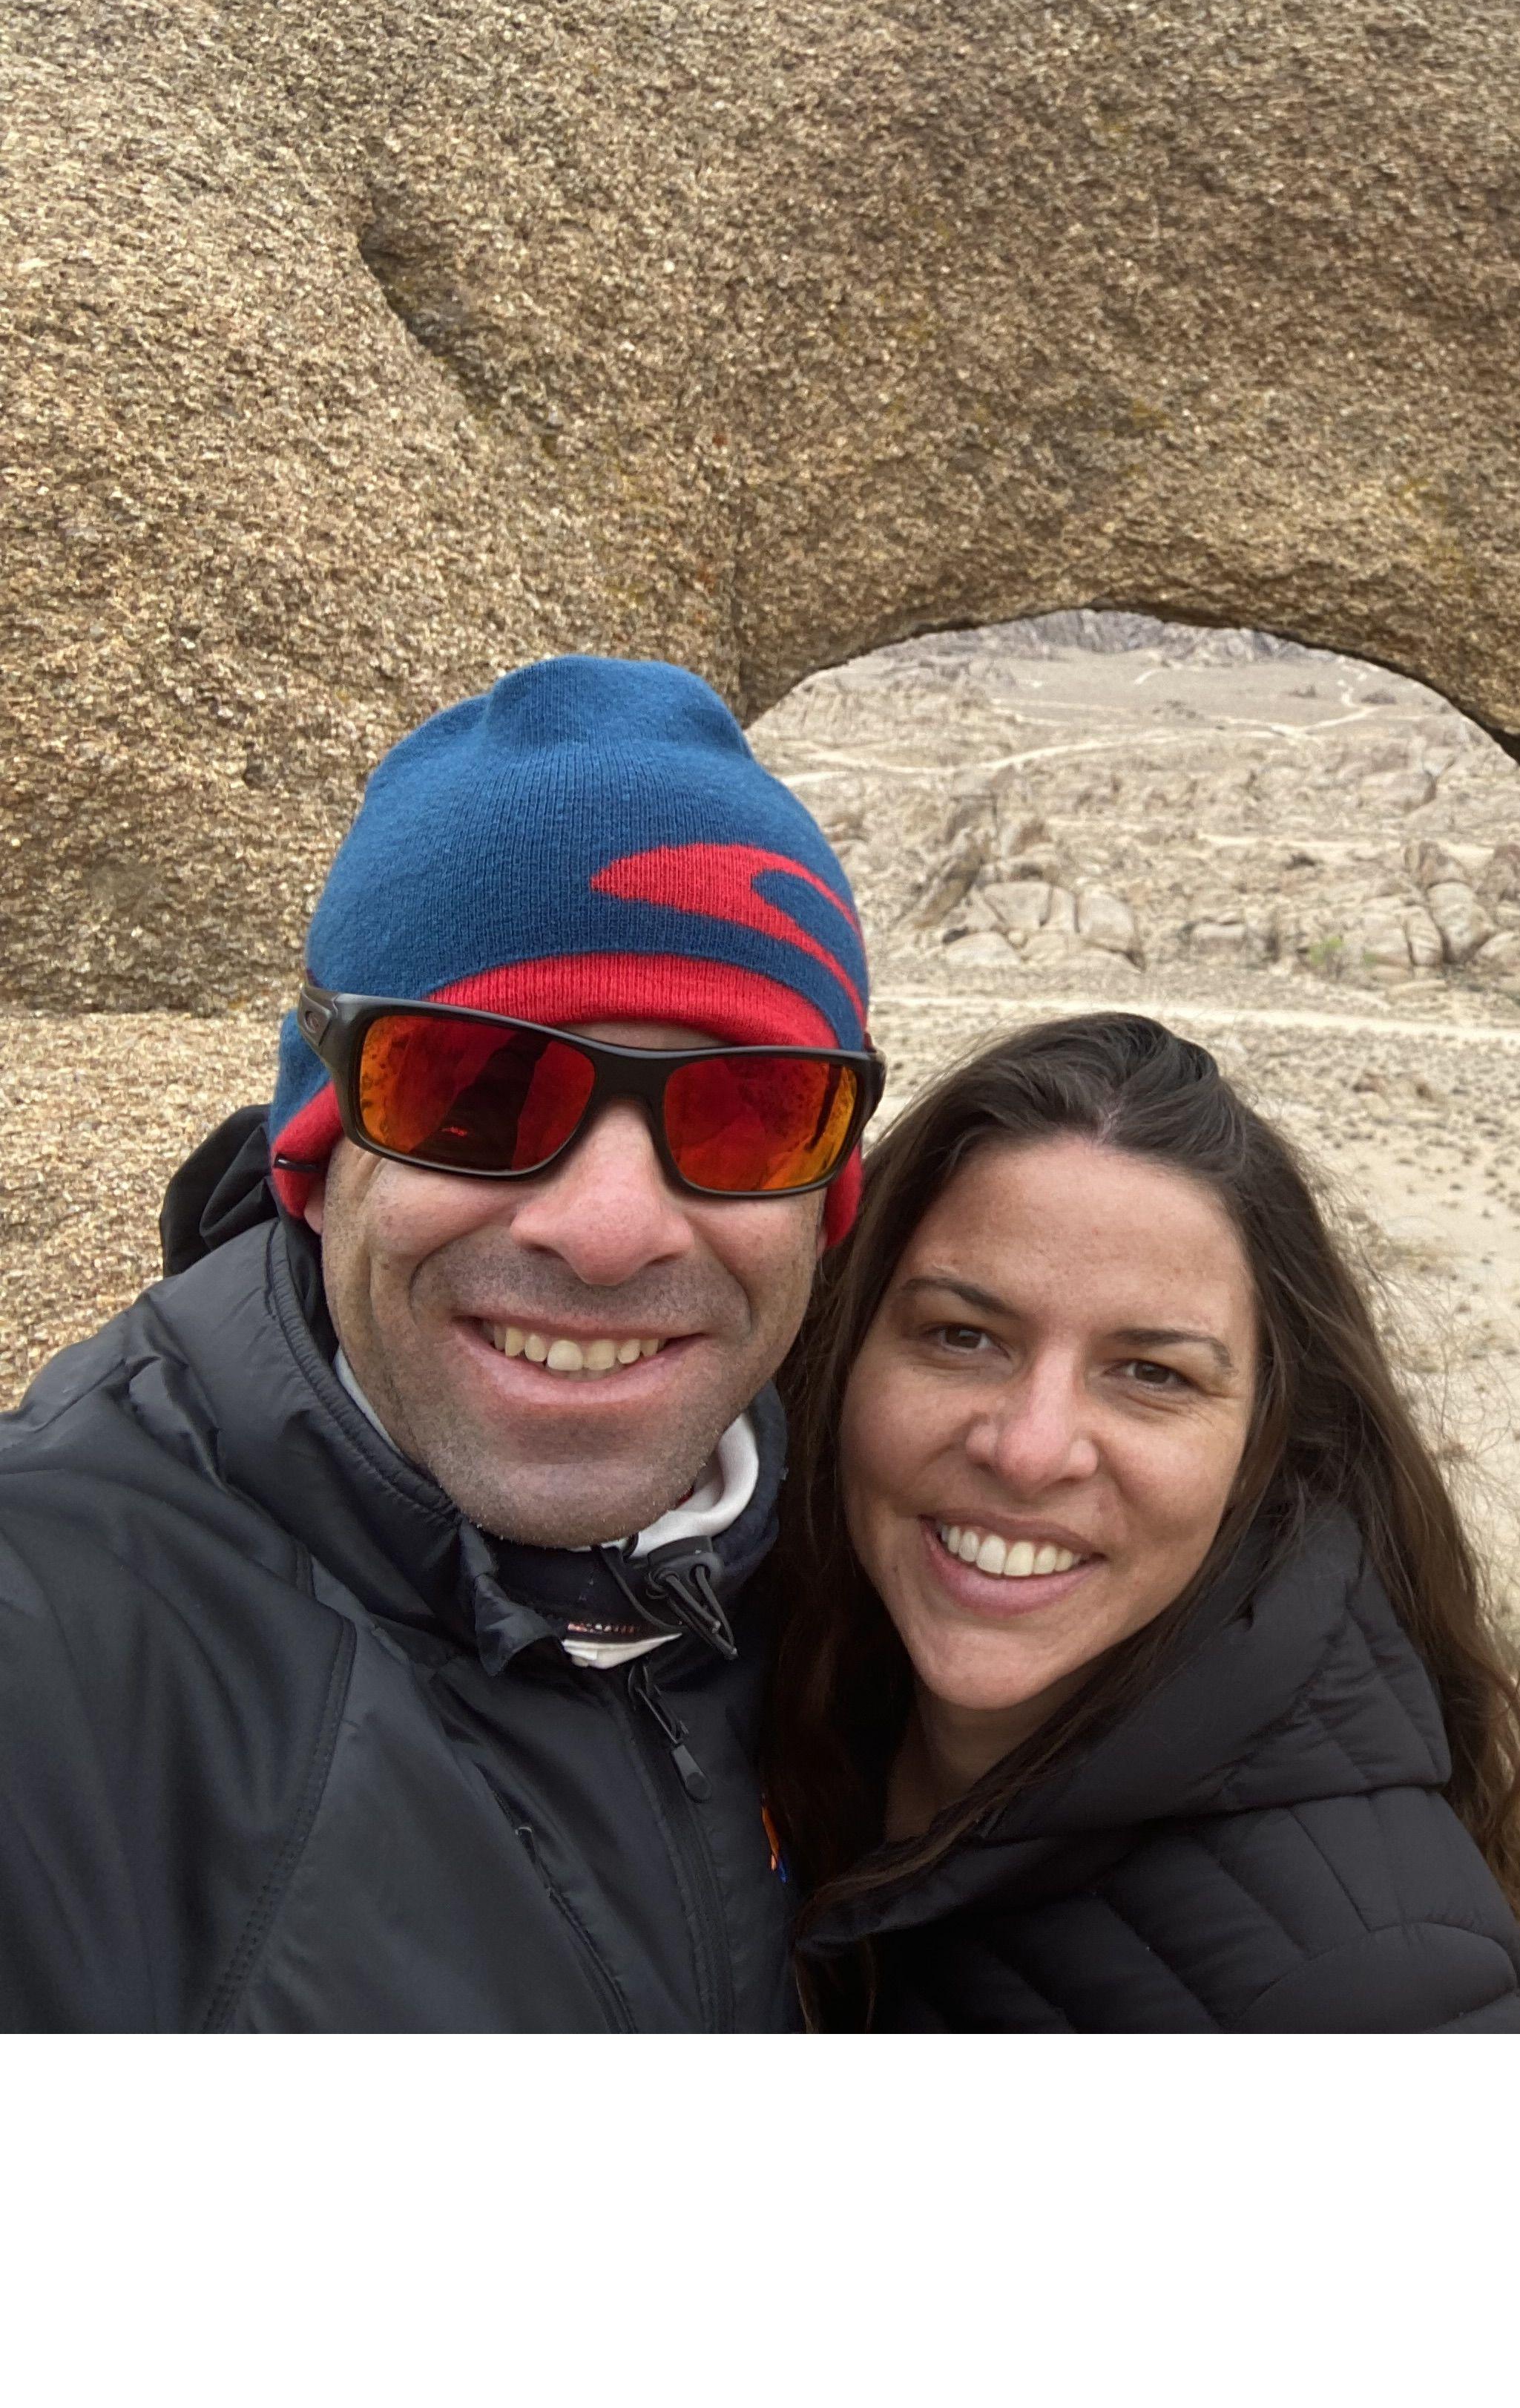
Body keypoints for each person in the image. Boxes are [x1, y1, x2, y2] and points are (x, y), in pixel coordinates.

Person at [0, 655, 881, 2031]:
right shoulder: (59, 1653)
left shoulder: (866, 1580)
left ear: (826, 1194)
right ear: (316, 1141)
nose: (607, 1231)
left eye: (748, 1112)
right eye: (478, 1089)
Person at [765, 1012, 1520, 2031]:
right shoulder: (765, 1682)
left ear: (1266, 1445)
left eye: (1150, 1375)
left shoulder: (1378, 1989)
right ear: (845, 1346)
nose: (1032, 1448)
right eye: (962, 1336)